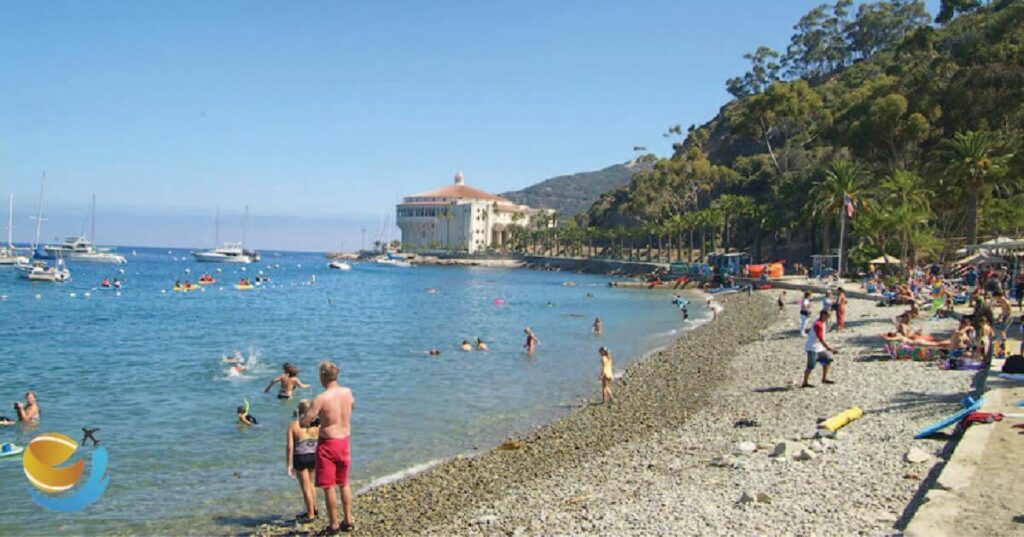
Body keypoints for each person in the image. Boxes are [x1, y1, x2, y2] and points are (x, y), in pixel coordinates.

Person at [301, 361, 356, 534]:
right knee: (344, 483)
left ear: (324, 376)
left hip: (328, 444)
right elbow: (352, 406)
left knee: (328, 486)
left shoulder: (321, 398)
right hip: (345, 441)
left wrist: (305, 418)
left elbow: (305, 421)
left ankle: (333, 524)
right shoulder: (347, 392)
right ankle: (348, 520)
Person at [287, 400, 320, 523]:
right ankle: (314, 508)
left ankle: (310, 514)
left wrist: (289, 464)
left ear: (299, 410)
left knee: (305, 486)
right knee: (311, 484)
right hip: (314, 456)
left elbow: (290, 447)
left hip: (300, 457)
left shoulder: (293, 425)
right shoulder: (317, 424)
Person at [803, 310, 838, 388]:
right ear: (822, 315)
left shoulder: (822, 322)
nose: (828, 318)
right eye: (827, 316)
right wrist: (830, 348)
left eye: (829, 316)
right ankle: (805, 382)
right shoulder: (818, 324)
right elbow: (821, 339)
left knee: (828, 359)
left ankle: (824, 378)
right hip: (812, 348)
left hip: (820, 347)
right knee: (811, 366)